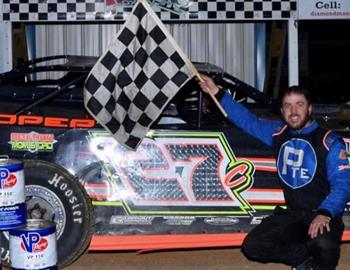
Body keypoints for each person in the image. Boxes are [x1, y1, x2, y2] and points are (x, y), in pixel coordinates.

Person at [198, 74, 350, 270]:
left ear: (310, 109)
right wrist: (217, 93)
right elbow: (247, 120)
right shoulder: (277, 133)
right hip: (294, 215)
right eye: (287, 106)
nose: (293, 111)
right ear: (282, 111)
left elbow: (343, 183)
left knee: (322, 245)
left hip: (324, 213)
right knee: (253, 246)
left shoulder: (329, 141)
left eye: (299, 104)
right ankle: (301, 260)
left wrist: (325, 213)